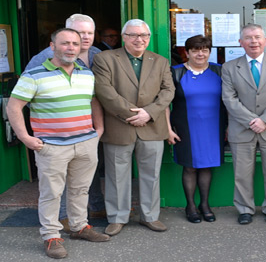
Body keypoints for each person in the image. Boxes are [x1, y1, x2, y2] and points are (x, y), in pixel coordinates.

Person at [7, 28, 110, 259]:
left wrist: (99, 129)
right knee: (51, 193)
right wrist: (25, 137)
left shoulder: (86, 73)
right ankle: (51, 236)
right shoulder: (34, 75)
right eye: (65, 43)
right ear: (52, 46)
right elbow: (13, 107)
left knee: (80, 189)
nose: (71, 48)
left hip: (85, 142)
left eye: (75, 43)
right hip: (51, 146)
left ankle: (79, 226)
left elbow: (93, 101)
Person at [24, 13, 105, 232]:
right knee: (55, 185)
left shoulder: (97, 54)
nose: (84, 37)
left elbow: (95, 97)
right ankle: (60, 221)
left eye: (89, 33)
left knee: (85, 177)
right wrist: (45, 125)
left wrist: (99, 128)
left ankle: (93, 209)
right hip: (55, 136)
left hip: (86, 131)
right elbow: (26, 95)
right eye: (79, 33)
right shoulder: (43, 58)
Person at [92, 19, 175, 236]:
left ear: (148, 38)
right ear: (124, 37)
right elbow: (104, 91)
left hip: (152, 127)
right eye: (134, 35)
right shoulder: (104, 59)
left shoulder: (160, 61)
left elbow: (168, 91)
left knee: (151, 175)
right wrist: (133, 115)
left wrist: (149, 113)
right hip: (119, 127)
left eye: (144, 36)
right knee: (116, 175)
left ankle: (150, 216)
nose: (139, 39)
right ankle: (118, 218)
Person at [221, 23, 266, 225]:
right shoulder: (229, 67)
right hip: (242, 129)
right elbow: (229, 98)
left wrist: (265, 120)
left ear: (265, 41)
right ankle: (245, 209)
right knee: (241, 173)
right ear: (240, 42)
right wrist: (251, 121)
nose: (254, 41)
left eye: (258, 37)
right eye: (249, 38)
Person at [166, 35, 225, 223]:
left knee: (207, 165)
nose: (200, 54)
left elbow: (229, 100)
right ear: (188, 52)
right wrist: (167, 129)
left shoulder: (220, 71)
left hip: (213, 127)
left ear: (209, 52)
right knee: (190, 167)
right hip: (185, 127)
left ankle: (205, 204)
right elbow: (165, 104)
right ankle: (190, 205)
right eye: (195, 50)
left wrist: (230, 127)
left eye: (204, 50)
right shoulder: (175, 72)